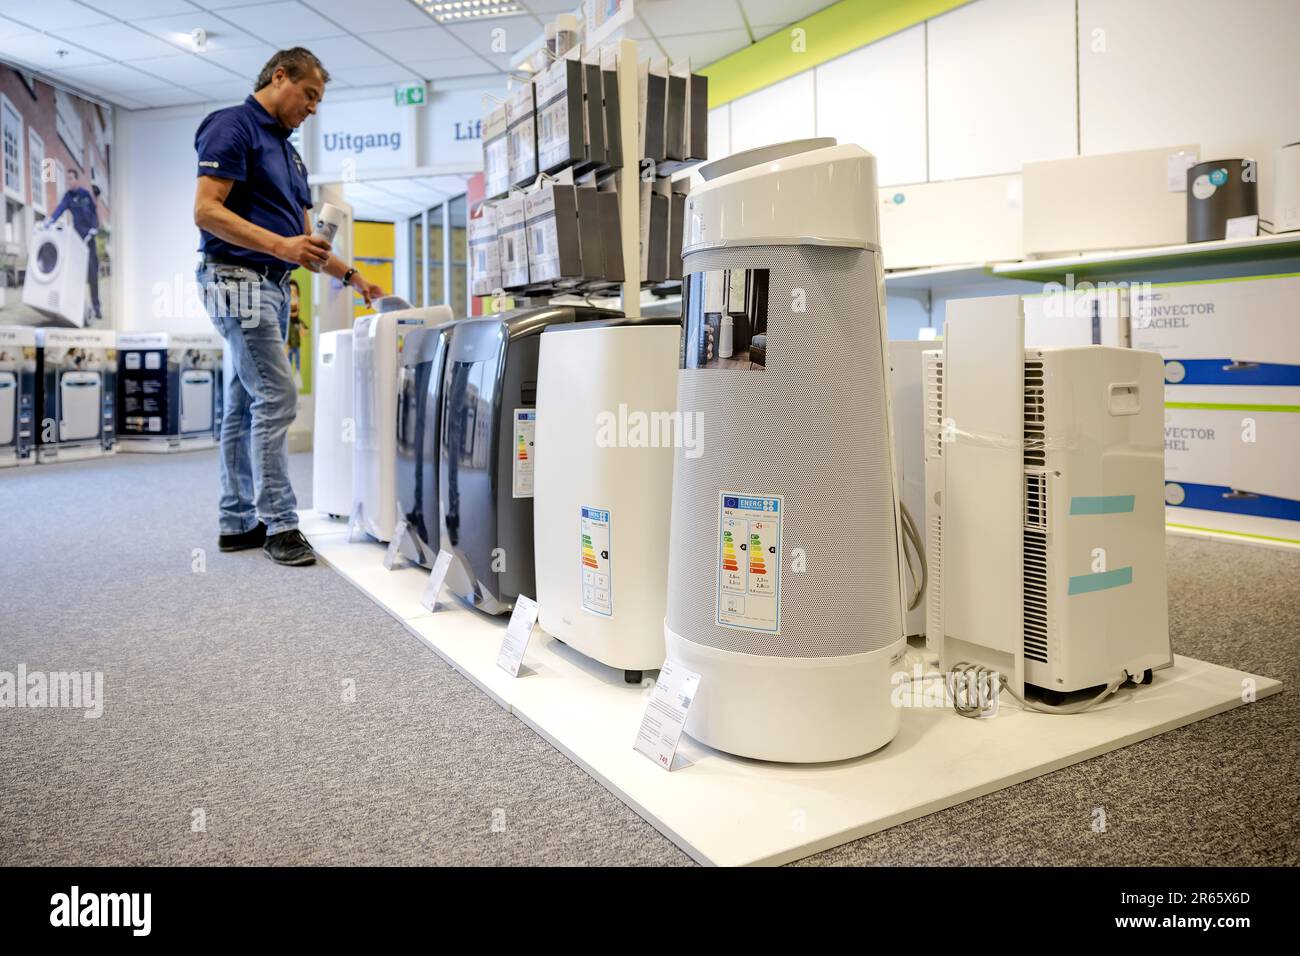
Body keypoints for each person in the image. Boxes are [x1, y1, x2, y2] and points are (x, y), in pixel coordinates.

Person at [194, 47, 384, 566]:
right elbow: (206, 211)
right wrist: (281, 249)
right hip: (236, 279)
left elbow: (305, 241)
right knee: (277, 397)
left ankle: (237, 522)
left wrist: (353, 277)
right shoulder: (233, 127)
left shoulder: (289, 152)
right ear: (281, 77)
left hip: (274, 286)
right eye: (310, 95)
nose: (314, 108)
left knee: (243, 402)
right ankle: (280, 523)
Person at [47, 169, 102, 321]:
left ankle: (97, 307)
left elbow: (94, 213)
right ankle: (76, 308)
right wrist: (50, 221)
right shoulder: (68, 197)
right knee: (76, 275)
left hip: (89, 240)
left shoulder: (85, 195)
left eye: (71, 179)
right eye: (67, 179)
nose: (69, 182)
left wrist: (93, 228)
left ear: (76, 180)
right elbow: (60, 208)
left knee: (92, 276)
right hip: (78, 241)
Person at [286, 278, 307, 374]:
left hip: (296, 345)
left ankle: (297, 374)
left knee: (297, 361)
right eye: (291, 296)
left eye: (295, 296)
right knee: (289, 362)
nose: (293, 301)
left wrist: (303, 330)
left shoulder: (297, 322)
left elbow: (304, 329)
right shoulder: (284, 321)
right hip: (289, 346)